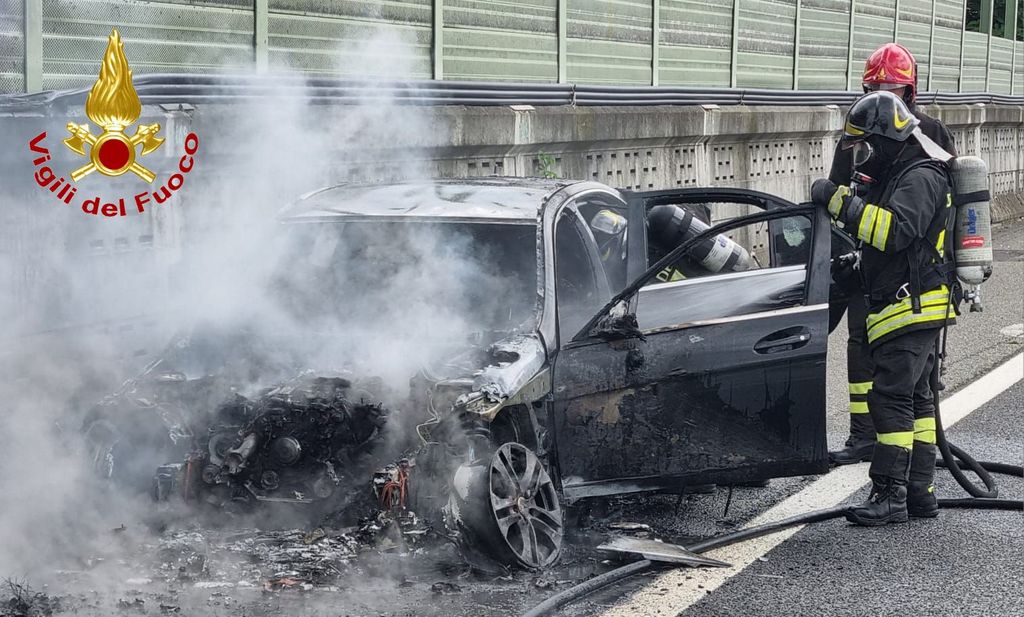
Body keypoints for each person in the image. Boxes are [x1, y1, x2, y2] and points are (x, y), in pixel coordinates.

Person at [812, 90, 956, 525]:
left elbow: (895, 232)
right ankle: (920, 493)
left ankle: (890, 494)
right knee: (918, 401)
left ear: (885, 140)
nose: (860, 157)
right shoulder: (899, 173)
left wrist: (837, 200)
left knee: (890, 398)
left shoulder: (920, 175)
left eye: (864, 148)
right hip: (911, 304)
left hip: (910, 306)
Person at [828, 42, 957, 466]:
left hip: (912, 270)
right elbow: (842, 193)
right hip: (866, 261)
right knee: (861, 346)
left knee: (905, 379)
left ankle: (902, 472)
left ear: (910, 92)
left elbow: (934, 212)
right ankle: (865, 436)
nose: (883, 96)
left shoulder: (931, 135)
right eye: (875, 88)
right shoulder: (860, 127)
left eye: (892, 89)